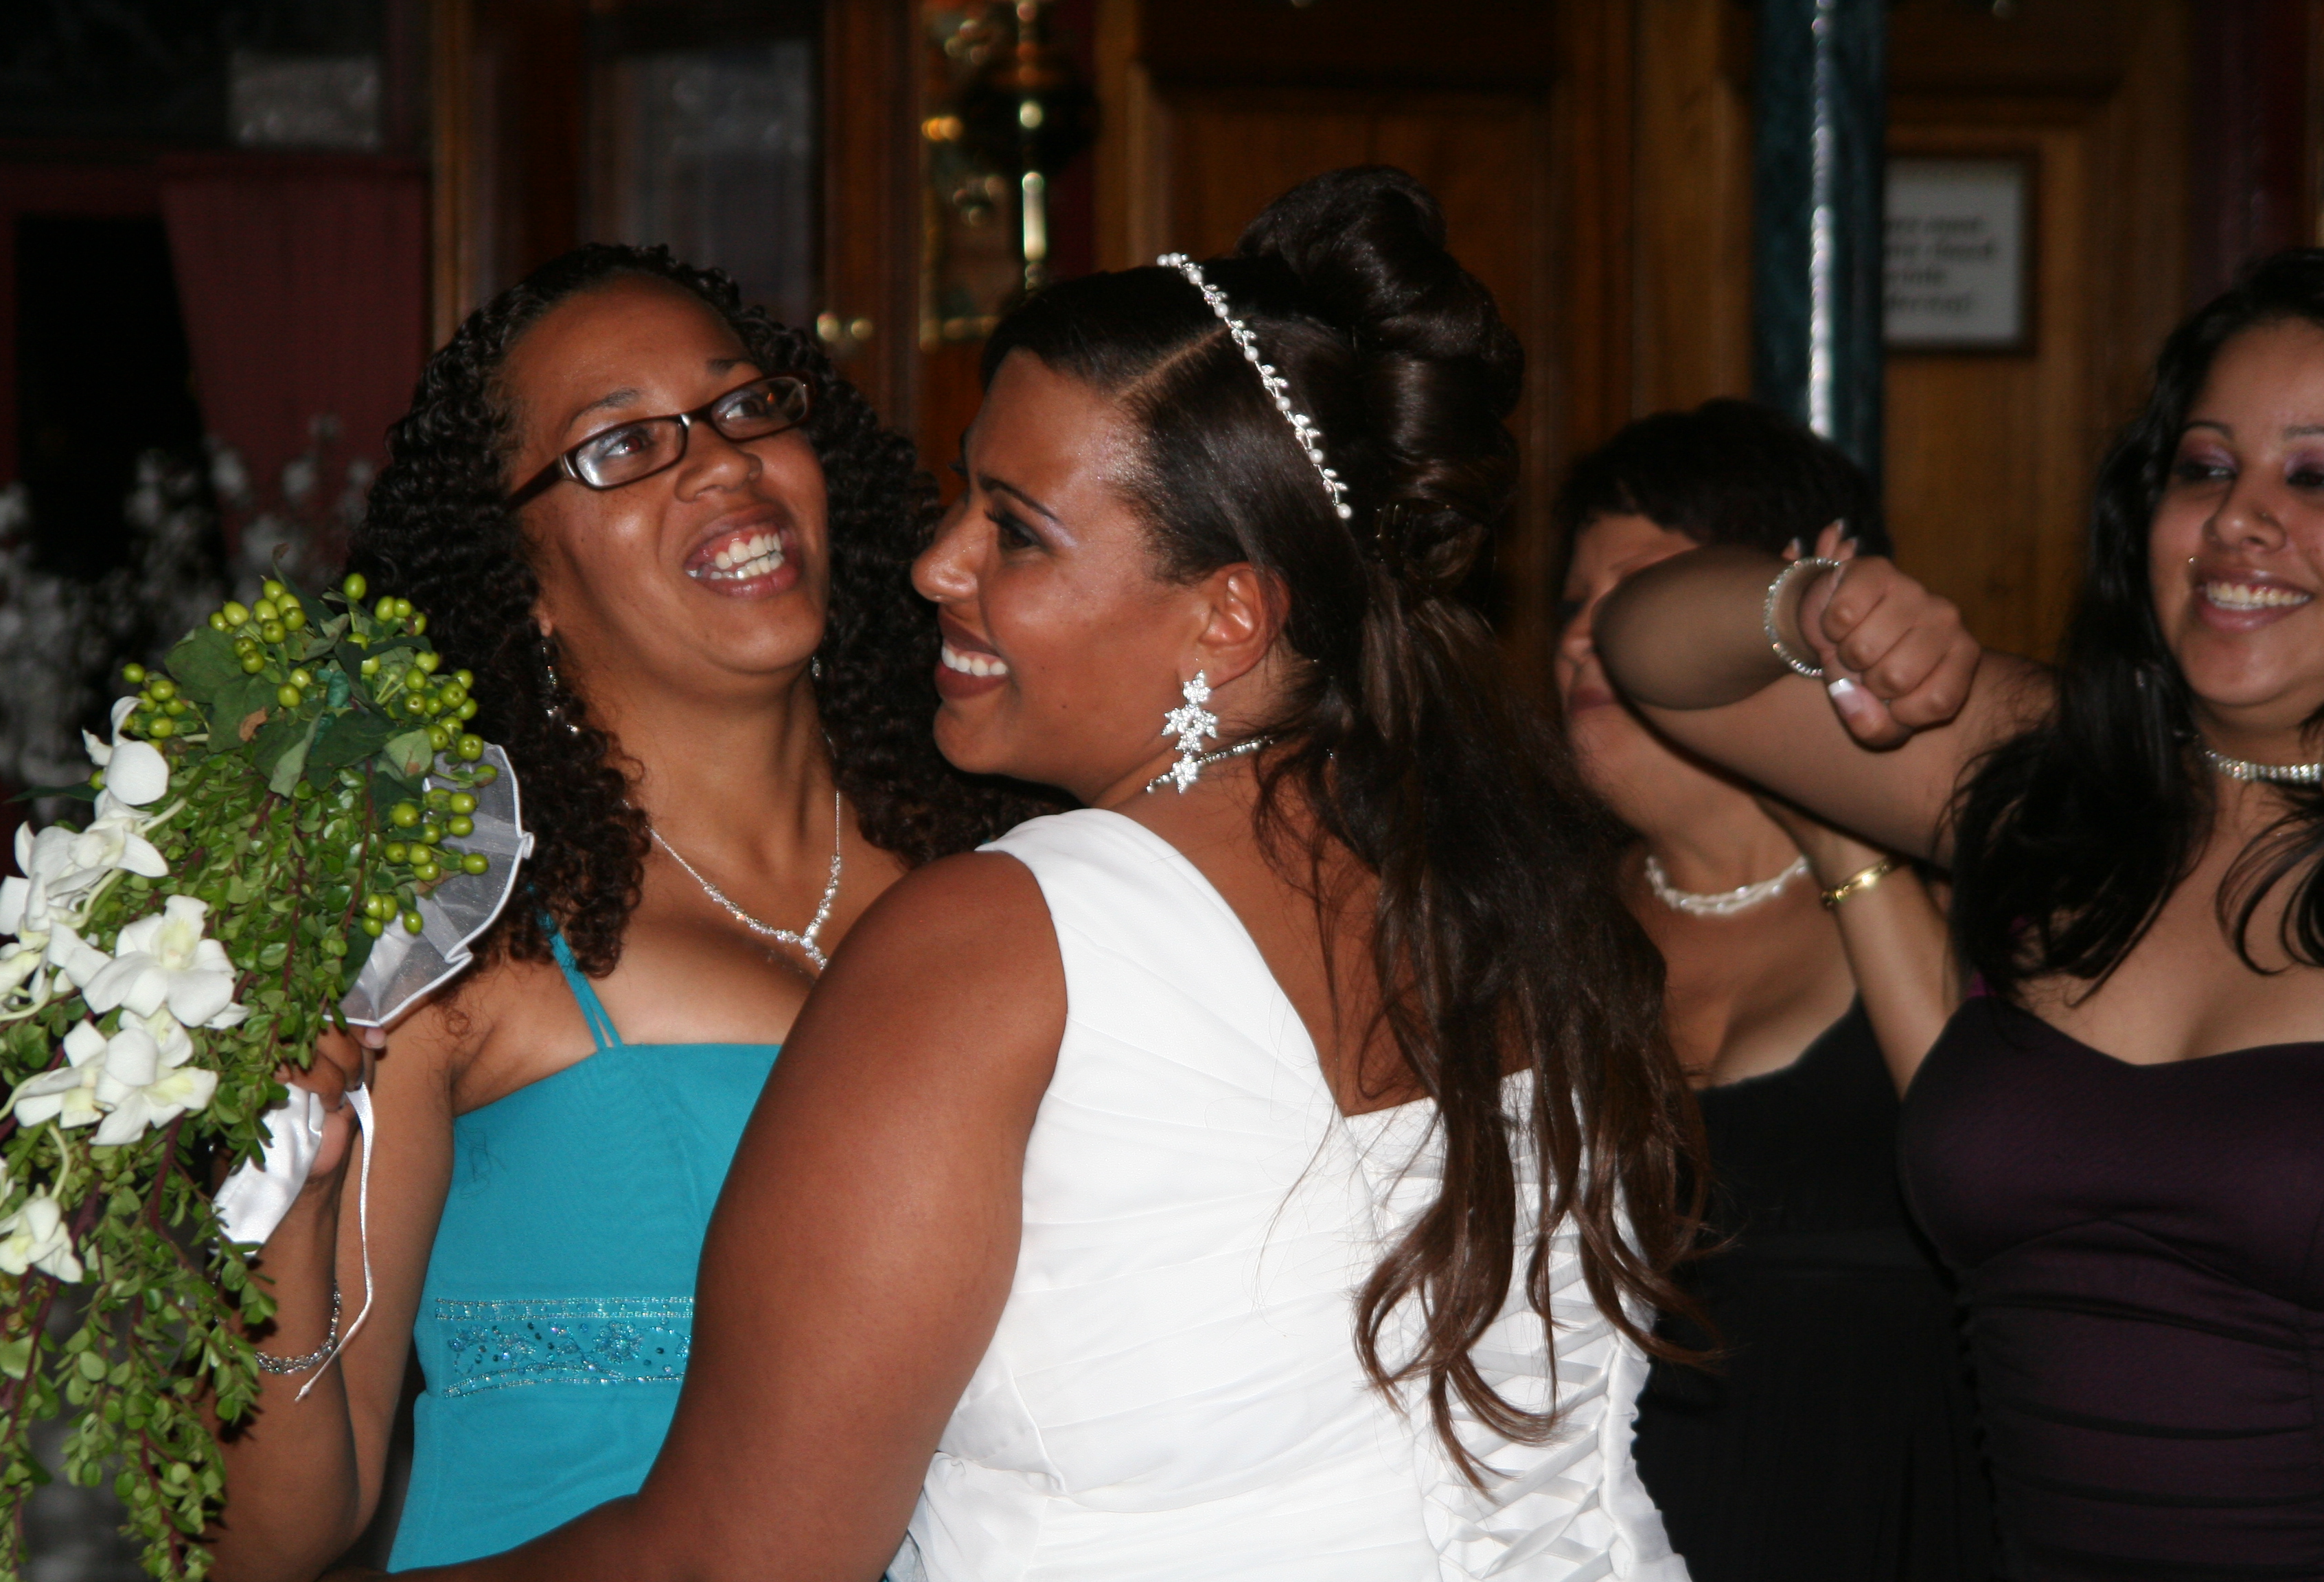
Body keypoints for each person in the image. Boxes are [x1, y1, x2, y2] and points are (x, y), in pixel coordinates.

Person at [369, 167, 1701, 1582]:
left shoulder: (997, 938)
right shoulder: (1522, 897)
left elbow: (739, 1560)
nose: (935, 564)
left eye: (1014, 528)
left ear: (1228, 615)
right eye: (962, 497)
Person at [207, 244, 1052, 1579]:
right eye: (621, 446)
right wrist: (292, 1212)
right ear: (523, 579)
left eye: (746, 406)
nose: (720, 463)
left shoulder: (1014, 870)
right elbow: (266, 1543)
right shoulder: (449, 939)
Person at [1593, 251, 2324, 1579]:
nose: (2239, 521)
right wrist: (1813, 608)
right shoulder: (2065, 781)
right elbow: (1654, 649)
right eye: (2207, 467)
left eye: (2315, 476)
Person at [1553, 400, 1993, 1582]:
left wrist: (1838, 813)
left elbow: (1993, 1205)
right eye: (1571, 603)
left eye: (1637, 598)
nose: (1584, 638)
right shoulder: (1534, 931)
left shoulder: (1971, 900)